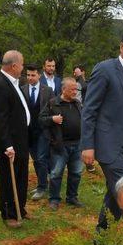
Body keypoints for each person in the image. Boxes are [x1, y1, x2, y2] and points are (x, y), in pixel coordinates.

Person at [81, 28, 123, 231]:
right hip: (109, 145)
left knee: (115, 194)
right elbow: (89, 109)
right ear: (122, 46)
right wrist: (87, 145)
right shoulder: (105, 69)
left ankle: (101, 236)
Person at [0, 51, 31, 228]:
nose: (23, 68)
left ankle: (20, 208)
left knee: (22, 176)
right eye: (22, 64)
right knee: (8, 178)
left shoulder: (13, 83)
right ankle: (8, 213)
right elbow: (0, 119)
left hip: (21, 139)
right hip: (9, 144)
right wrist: (7, 144)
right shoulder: (0, 85)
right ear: (14, 66)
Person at [39, 77, 83, 210]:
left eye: (76, 89)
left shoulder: (78, 103)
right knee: (56, 173)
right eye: (72, 89)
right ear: (63, 89)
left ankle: (72, 197)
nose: (75, 92)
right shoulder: (53, 103)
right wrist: (52, 119)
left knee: (76, 173)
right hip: (60, 146)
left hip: (77, 145)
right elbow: (41, 120)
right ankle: (54, 199)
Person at [21, 63, 54, 201]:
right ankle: (43, 182)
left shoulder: (48, 90)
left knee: (41, 158)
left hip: (43, 131)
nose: (30, 77)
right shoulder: (22, 89)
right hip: (28, 131)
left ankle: (42, 187)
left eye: (33, 75)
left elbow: (53, 109)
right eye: (28, 75)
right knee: (35, 158)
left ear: (39, 75)